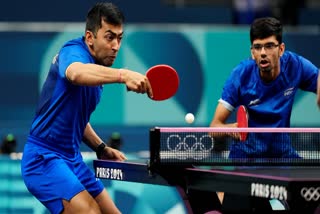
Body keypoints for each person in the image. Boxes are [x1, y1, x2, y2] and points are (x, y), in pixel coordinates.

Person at [21, 2, 152, 214]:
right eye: (109, 37)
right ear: (90, 38)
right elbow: (75, 73)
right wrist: (123, 75)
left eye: (119, 38)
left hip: (72, 158)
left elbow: (77, 119)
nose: (116, 46)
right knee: (90, 212)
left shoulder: (97, 72)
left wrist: (101, 148)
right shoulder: (72, 52)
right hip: (43, 158)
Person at [209, 17, 319, 211]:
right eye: (257, 47)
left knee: (312, 194)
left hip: (282, 157)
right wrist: (231, 129)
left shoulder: (295, 66)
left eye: (269, 46)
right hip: (247, 162)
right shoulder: (240, 75)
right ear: (252, 52)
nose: (263, 53)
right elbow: (214, 127)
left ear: (281, 49)